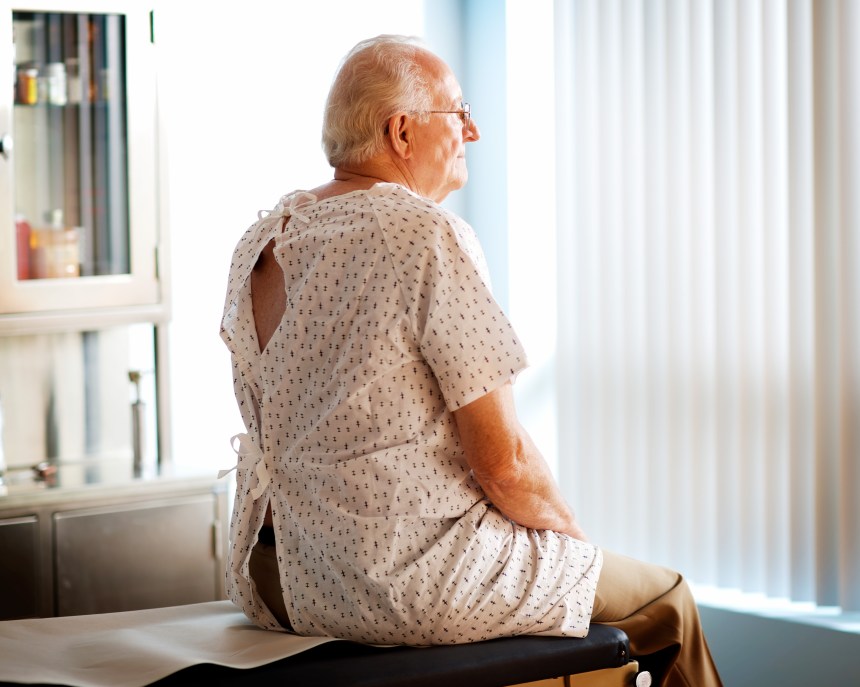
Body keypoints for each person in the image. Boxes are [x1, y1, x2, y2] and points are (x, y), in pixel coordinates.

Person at [219, 34, 722, 686]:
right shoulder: (424, 234)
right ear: (401, 131)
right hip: (391, 579)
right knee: (672, 600)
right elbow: (504, 463)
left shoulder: (262, 238)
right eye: (457, 111)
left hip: (275, 579)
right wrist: (573, 544)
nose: (473, 130)